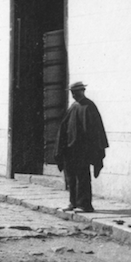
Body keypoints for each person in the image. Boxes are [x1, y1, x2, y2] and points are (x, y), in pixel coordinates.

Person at [54, 81, 108, 213]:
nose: (73, 95)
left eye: (75, 93)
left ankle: (85, 204)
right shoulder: (73, 106)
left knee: (82, 177)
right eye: (72, 93)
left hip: (82, 150)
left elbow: (95, 131)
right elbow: (64, 127)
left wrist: (93, 150)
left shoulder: (89, 106)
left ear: (82, 91)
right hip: (70, 150)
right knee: (70, 177)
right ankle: (72, 202)